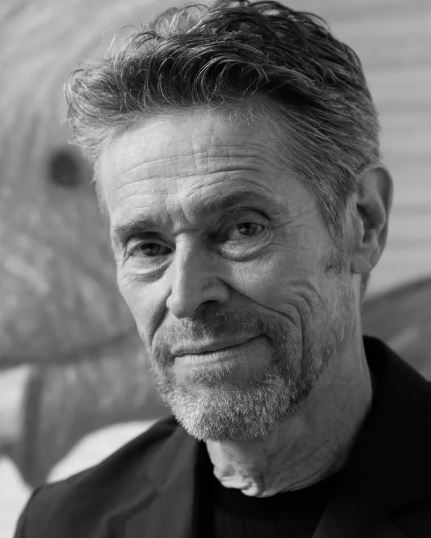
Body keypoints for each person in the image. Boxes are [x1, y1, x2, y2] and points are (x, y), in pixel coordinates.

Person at [14, 1, 431, 536]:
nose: (186, 296)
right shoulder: (63, 523)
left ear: (364, 223)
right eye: (149, 247)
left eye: (242, 229)